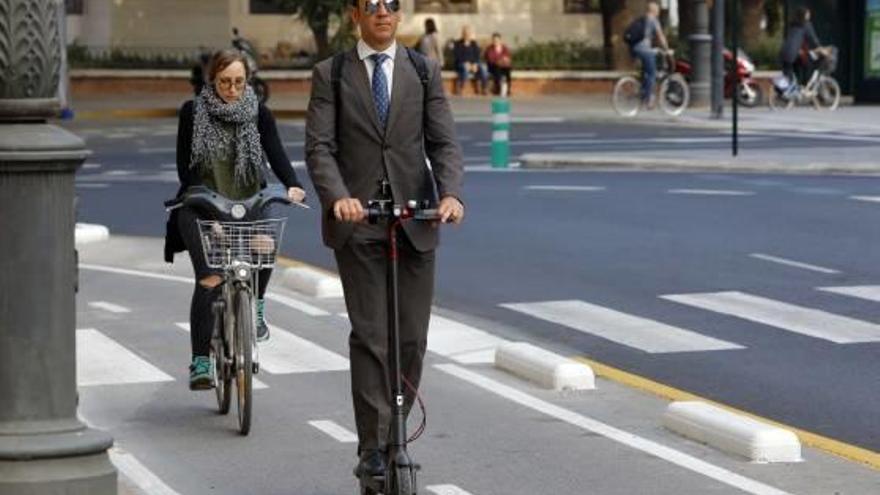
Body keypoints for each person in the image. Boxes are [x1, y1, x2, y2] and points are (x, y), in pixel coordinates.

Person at [305, 0, 465, 480]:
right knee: (373, 336)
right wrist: (337, 197)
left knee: (412, 337)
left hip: (414, 220)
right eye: (372, 4)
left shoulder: (423, 70)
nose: (383, 12)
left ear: (400, 15)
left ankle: (397, 430)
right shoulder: (331, 73)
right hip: (359, 223)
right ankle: (373, 446)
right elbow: (319, 146)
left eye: (392, 4)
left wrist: (452, 194)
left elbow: (443, 142)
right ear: (357, 13)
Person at [165, 49, 306, 390]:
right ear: (212, 80)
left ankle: (255, 306)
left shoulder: (258, 112)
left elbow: (276, 152)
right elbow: (185, 168)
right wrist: (208, 211)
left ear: (248, 82)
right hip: (202, 203)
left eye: (239, 82)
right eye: (224, 82)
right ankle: (200, 361)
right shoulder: (193, 112)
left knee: (265, 245)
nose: (232, 89)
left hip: (248, 201)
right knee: (211, 279)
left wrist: (293, 186)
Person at [626, 1, 670, 107]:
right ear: (654, 11)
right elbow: (660, 37)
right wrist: (667, 49)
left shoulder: (641, 19)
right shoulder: (653, 20)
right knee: (652, 73)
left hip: (634, 48)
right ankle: (648, 99)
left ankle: (642, 92)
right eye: (658, 10)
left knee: (646, 72)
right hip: (644, 50)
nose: (658, 12)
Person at [779, 7, 823, 88]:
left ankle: (798, 87)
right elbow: (813, 39)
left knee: (795, 68)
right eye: (807, 13)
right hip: (791, 54)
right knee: (807, 64)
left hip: (783, 52)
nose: (809, 15)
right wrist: (821, 48)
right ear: (804, 15)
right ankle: (803, 85)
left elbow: (793, 40)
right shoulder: (806, 24)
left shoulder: (793, 25)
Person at [452, 25, 488, 95]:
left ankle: (484, 88)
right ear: (463, 34)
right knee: (465, 69)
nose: (467, 35)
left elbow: (477, 55)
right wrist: (465, 63)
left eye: (469, 33)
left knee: (483, 68)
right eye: (465, 33)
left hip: (473, 63)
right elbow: (457, 56)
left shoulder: (473, 43)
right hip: (461, 63)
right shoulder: (458, 43)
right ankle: (460, 88)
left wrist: (474, 63)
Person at [484, 32, 512, 96]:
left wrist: (505, 60)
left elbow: (508, 56)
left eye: (497, 40)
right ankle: (498, 89)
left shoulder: (504, 48)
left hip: (503, 66)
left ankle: (508, 89)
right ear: (492, 40)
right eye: (494, 40)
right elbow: (490, 58)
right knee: (497, 69)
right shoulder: (489, 48)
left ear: (500, 40)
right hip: (493, 66)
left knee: (508, 70)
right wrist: (499, 60)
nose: (495, 41)